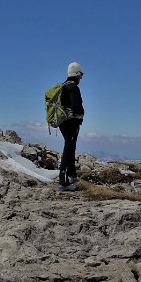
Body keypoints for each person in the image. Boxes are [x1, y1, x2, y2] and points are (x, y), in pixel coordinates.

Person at [58, 62, 85, 191]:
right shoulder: (73, 87)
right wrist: (80, 115)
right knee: (68, 148)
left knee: (70, 146)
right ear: (76, 74)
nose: (81, 78)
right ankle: (63, 182)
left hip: (62, 122)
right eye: (81, 74)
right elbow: (76, 106)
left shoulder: (63, 86)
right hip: (71, 122)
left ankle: (72, 174)